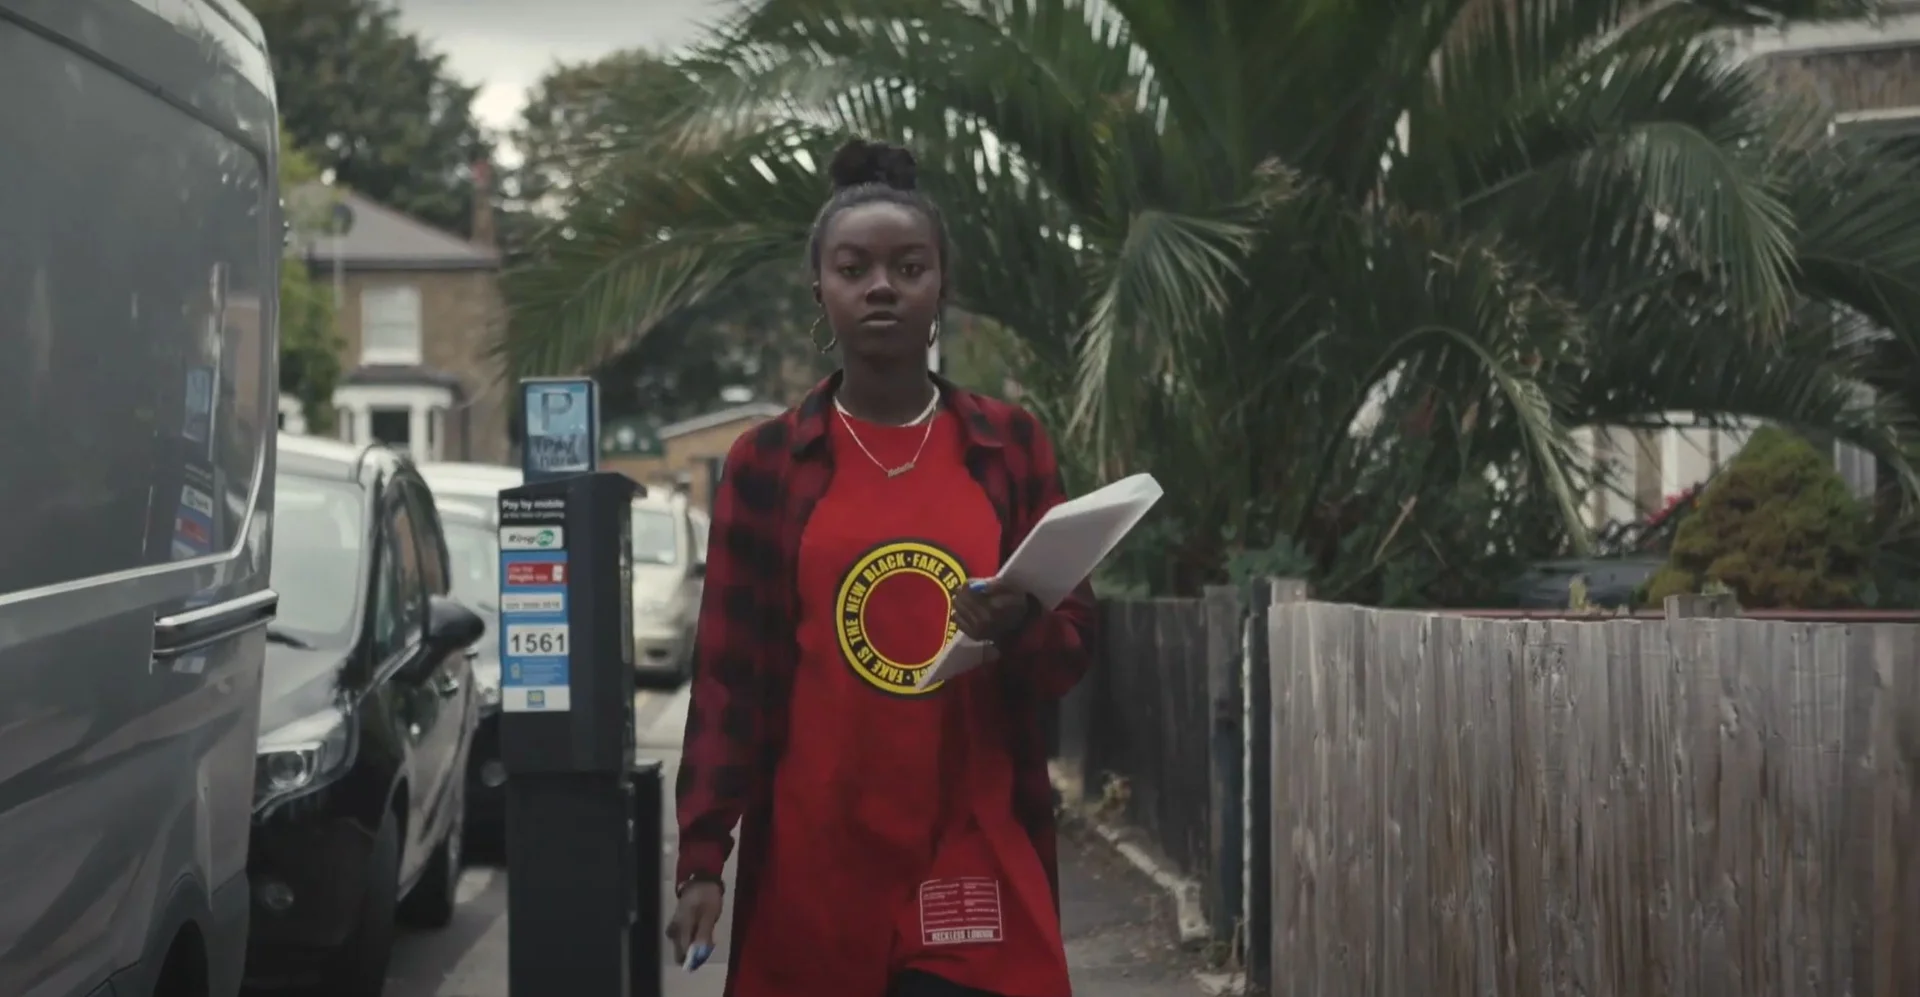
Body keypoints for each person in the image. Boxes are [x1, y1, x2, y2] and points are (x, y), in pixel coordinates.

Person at [665, 137, 1097, 997]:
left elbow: (1072, 649)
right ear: (819, 287)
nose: (882, 288)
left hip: (972, 843)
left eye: (910, 267)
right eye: (855, 268)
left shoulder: (1008, 446)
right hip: (817, 860)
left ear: (942, 288)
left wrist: (1017, 622)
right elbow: (728, 679)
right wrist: (704, 856)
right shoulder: (769, 462)